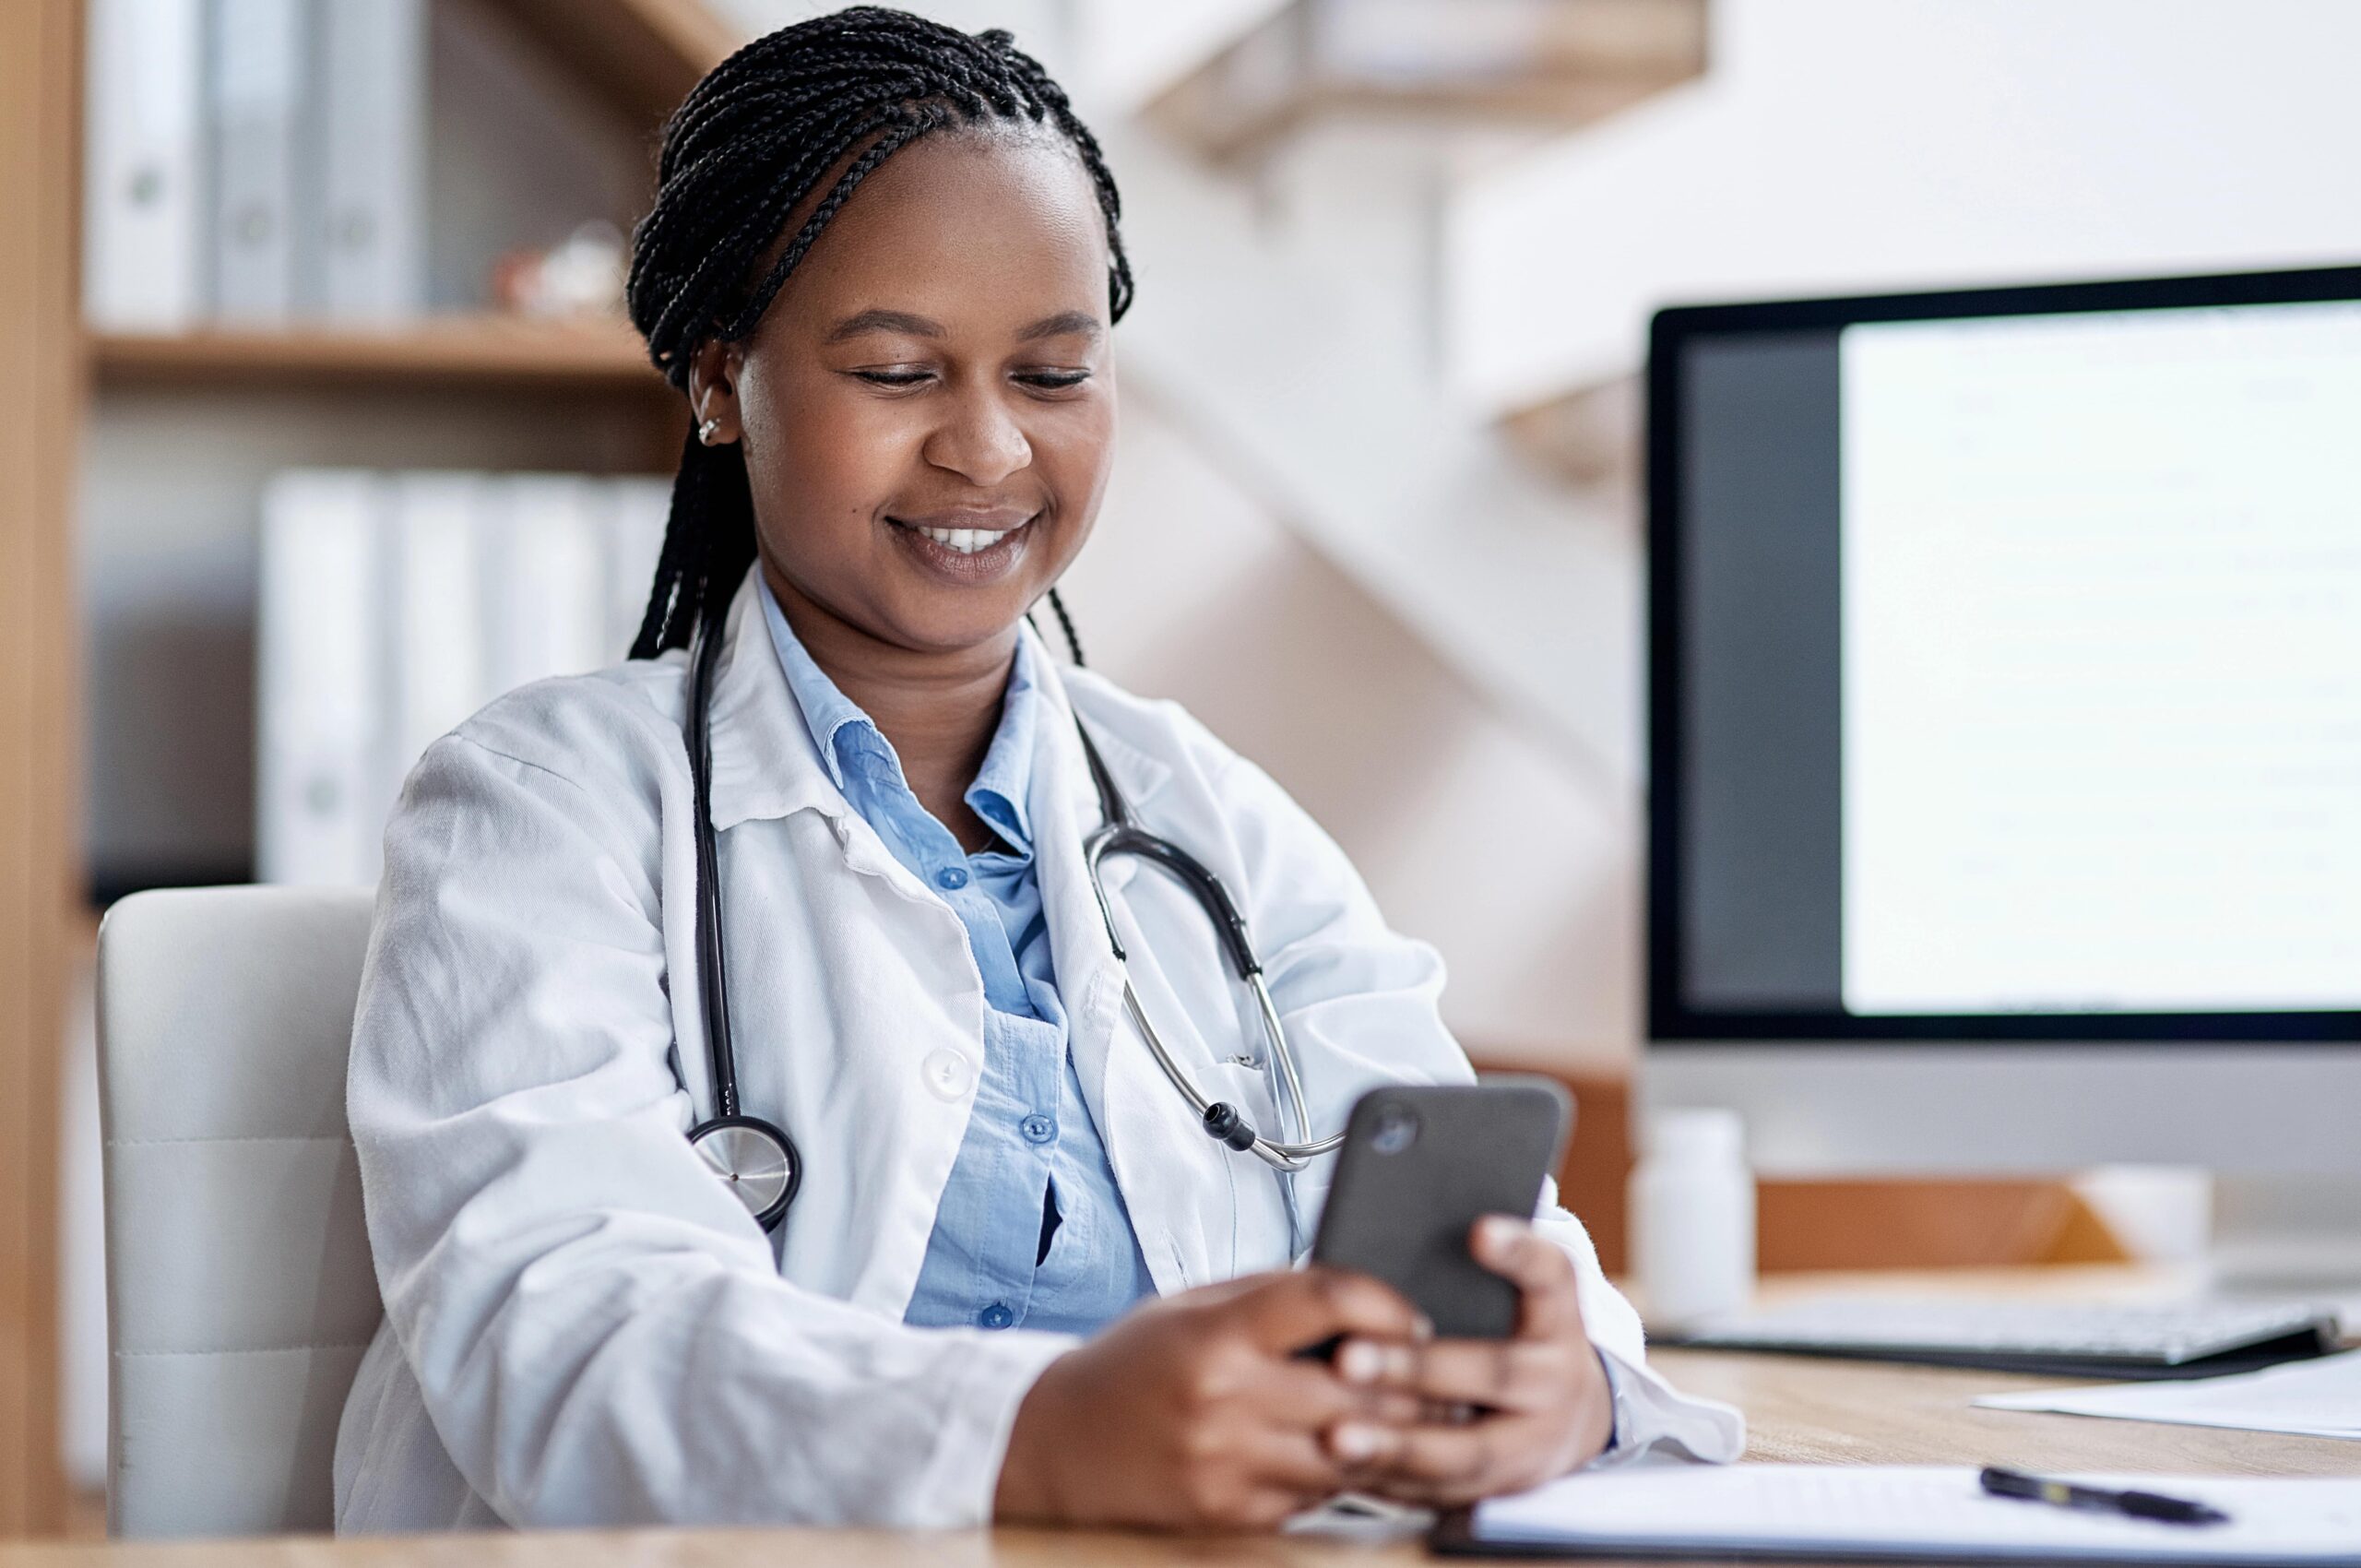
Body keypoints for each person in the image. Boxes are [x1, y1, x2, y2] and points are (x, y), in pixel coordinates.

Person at [332, 6, 1741, 1535]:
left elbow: (1503, 1240)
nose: (991, 450)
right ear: (723, 384)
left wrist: (1563, 1380)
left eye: (1054, 374)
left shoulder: (1213, 824)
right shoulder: (536, 812)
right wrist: (1040, 1436)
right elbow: (566, 1336)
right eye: (896, 371)